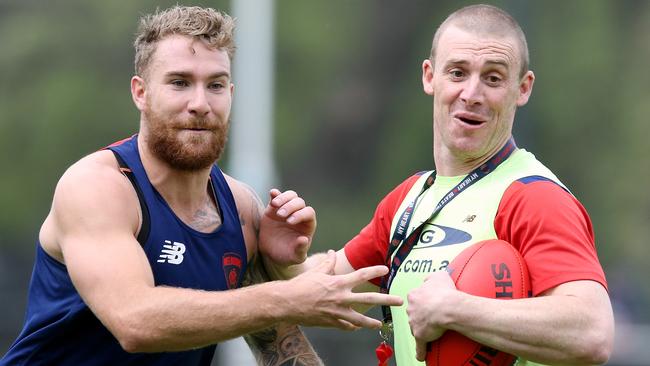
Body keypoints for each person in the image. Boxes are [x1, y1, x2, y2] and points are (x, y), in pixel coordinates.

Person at [0, 6, 402, 366]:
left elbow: (277, 345)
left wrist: (282, 267)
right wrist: (288, 296)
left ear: (230, 94)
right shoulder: (99, 187)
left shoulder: (242, 207)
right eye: (179, 82)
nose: (199, 103)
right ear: (141, 92)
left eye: (214, 85)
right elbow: (136, 322)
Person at [263, 4, 614, 366]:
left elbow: (592, 333)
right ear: (430, 77)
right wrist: (285, 260)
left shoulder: (532, 195)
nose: (472, 93)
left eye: (493, 78)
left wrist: (456, 310)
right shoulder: (408, 200)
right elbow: (323, 291)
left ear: (522, 89)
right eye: (458, 73)